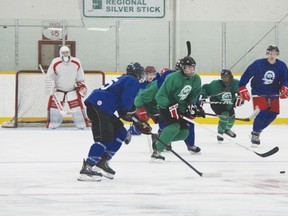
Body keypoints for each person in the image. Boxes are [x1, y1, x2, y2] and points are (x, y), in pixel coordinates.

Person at [78, 62, 150, 181]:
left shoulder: (124, 78)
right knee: (105, 138)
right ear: (137, 74)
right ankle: (87, 167)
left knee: (121, 132)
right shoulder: (132, 80)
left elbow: (123, 112)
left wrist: (137, 121)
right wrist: (136, 118)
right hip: (100, 106)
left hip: (103, 106)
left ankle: (103, 161)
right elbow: (126, 104)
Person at [134, 62, 202, 154]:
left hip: (165, 108)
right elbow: (140, 99)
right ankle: (160, 145)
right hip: (154, 109)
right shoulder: (156, 86)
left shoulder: (183, 83)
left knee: (184, 132)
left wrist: (195, 107)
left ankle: (162, 140)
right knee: (170, 127)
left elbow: (188, 97)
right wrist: (141, 112)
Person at [151, 56, 203, 161]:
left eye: (193, 68)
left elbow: (193, 97)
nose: (191, 70)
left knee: (184, 133)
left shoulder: (196, 79)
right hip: (166, 105)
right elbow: (160, 96)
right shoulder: (172, 77)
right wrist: (169, 105)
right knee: (174, 127)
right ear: (183, 68)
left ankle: (160, 139)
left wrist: (193, 107)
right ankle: (157, 151)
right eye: (189, 68)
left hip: (181, 107)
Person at [238, 45, 288, 147]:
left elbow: (285, 79)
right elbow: (246, 75)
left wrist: (285, 87)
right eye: (270, 53)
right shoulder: (258, 64)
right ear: (267, 54)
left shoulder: (282, 65)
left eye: (274, 53)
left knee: (273, 114)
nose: (271, 55)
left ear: (277, 55)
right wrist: (242, 87)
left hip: (273, 92)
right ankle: (256, 133)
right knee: (263, 113)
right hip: (258, 92)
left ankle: (256, 131)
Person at [45, 45, 89, 129]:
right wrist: (51, 87)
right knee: (54, 110)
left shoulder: (76, 62)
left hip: (72, 89)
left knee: (77, 110)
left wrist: (81, 85)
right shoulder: (55, 62)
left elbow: (80, 76)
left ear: (69, 53)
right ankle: (52, 125)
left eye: (66, 52)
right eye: (63, 53)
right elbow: (50, 76)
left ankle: (82, 125)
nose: (65, 54)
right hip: (58, 90)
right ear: (60, 53)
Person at [201, 69, 242, 143]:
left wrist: (240, 99)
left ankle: (226, 129)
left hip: (229, 104)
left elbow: (241, 92)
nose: (225, 79)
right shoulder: (215, 84)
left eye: (227, 77)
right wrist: (202, 96)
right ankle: (220, 133)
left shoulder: (236, 83)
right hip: (217, 103)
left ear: (231, 77)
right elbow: (205, 88)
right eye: (223, 77)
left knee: (232, 119)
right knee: (225, 115)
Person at [128, 65, 158, 135]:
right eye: (149, 74)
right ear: (145, 74)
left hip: (153, 107)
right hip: (143, 108)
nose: (151, 76)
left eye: (153, 74)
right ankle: (133, 129)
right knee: (141, 127)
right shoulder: (140, 84)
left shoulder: (156, 84)